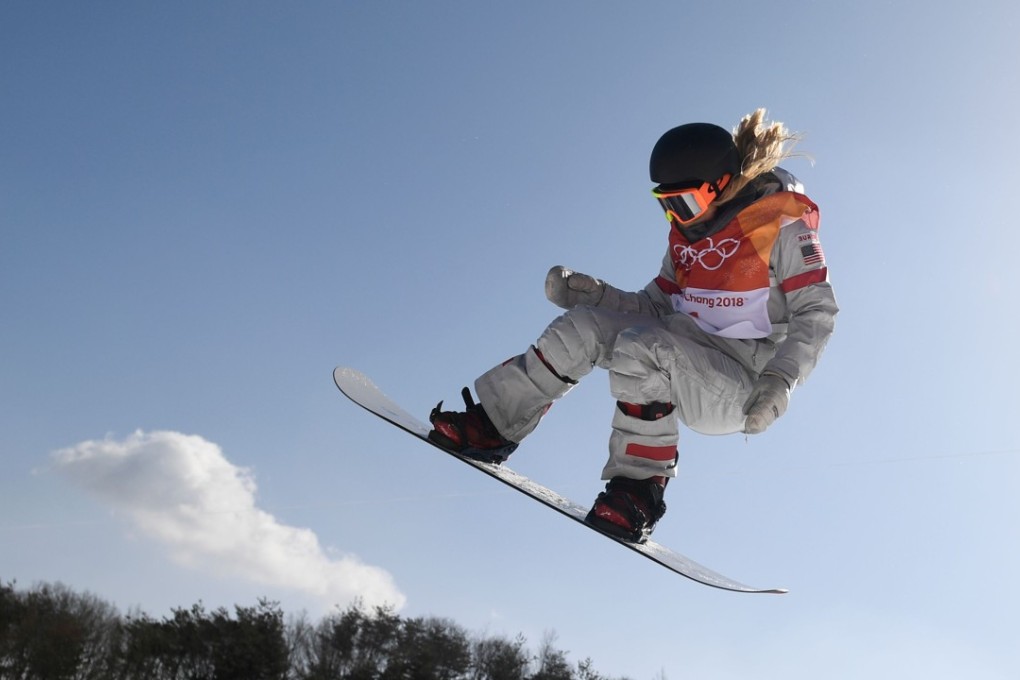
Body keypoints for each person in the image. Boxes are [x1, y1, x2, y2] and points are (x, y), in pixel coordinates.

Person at [428, 109, 838, 543]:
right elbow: (655, 306)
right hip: (685, 350)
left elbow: (817, 312)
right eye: (667, 207)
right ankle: (492, 425)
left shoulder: (781, 229)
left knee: (644, 349)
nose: (678, 218)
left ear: (720, 184)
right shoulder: (688, 240)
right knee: (584, 328)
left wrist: (781, 379)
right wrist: (597, 297)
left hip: (744, 385)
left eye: (685, 203)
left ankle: (638, 491)